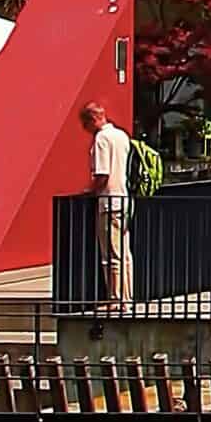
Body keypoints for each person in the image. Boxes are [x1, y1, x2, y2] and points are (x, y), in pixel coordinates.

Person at [81, 102, 135, 304]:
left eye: (85, 124)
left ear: (92, 119)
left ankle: (116, 299)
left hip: (108, 201)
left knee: (111, 254)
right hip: (124, 198)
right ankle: (127, 296)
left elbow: (102, 173)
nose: (85, 129)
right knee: (124, 252)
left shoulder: (102, 139)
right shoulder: (122, 136)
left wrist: (90, 191)